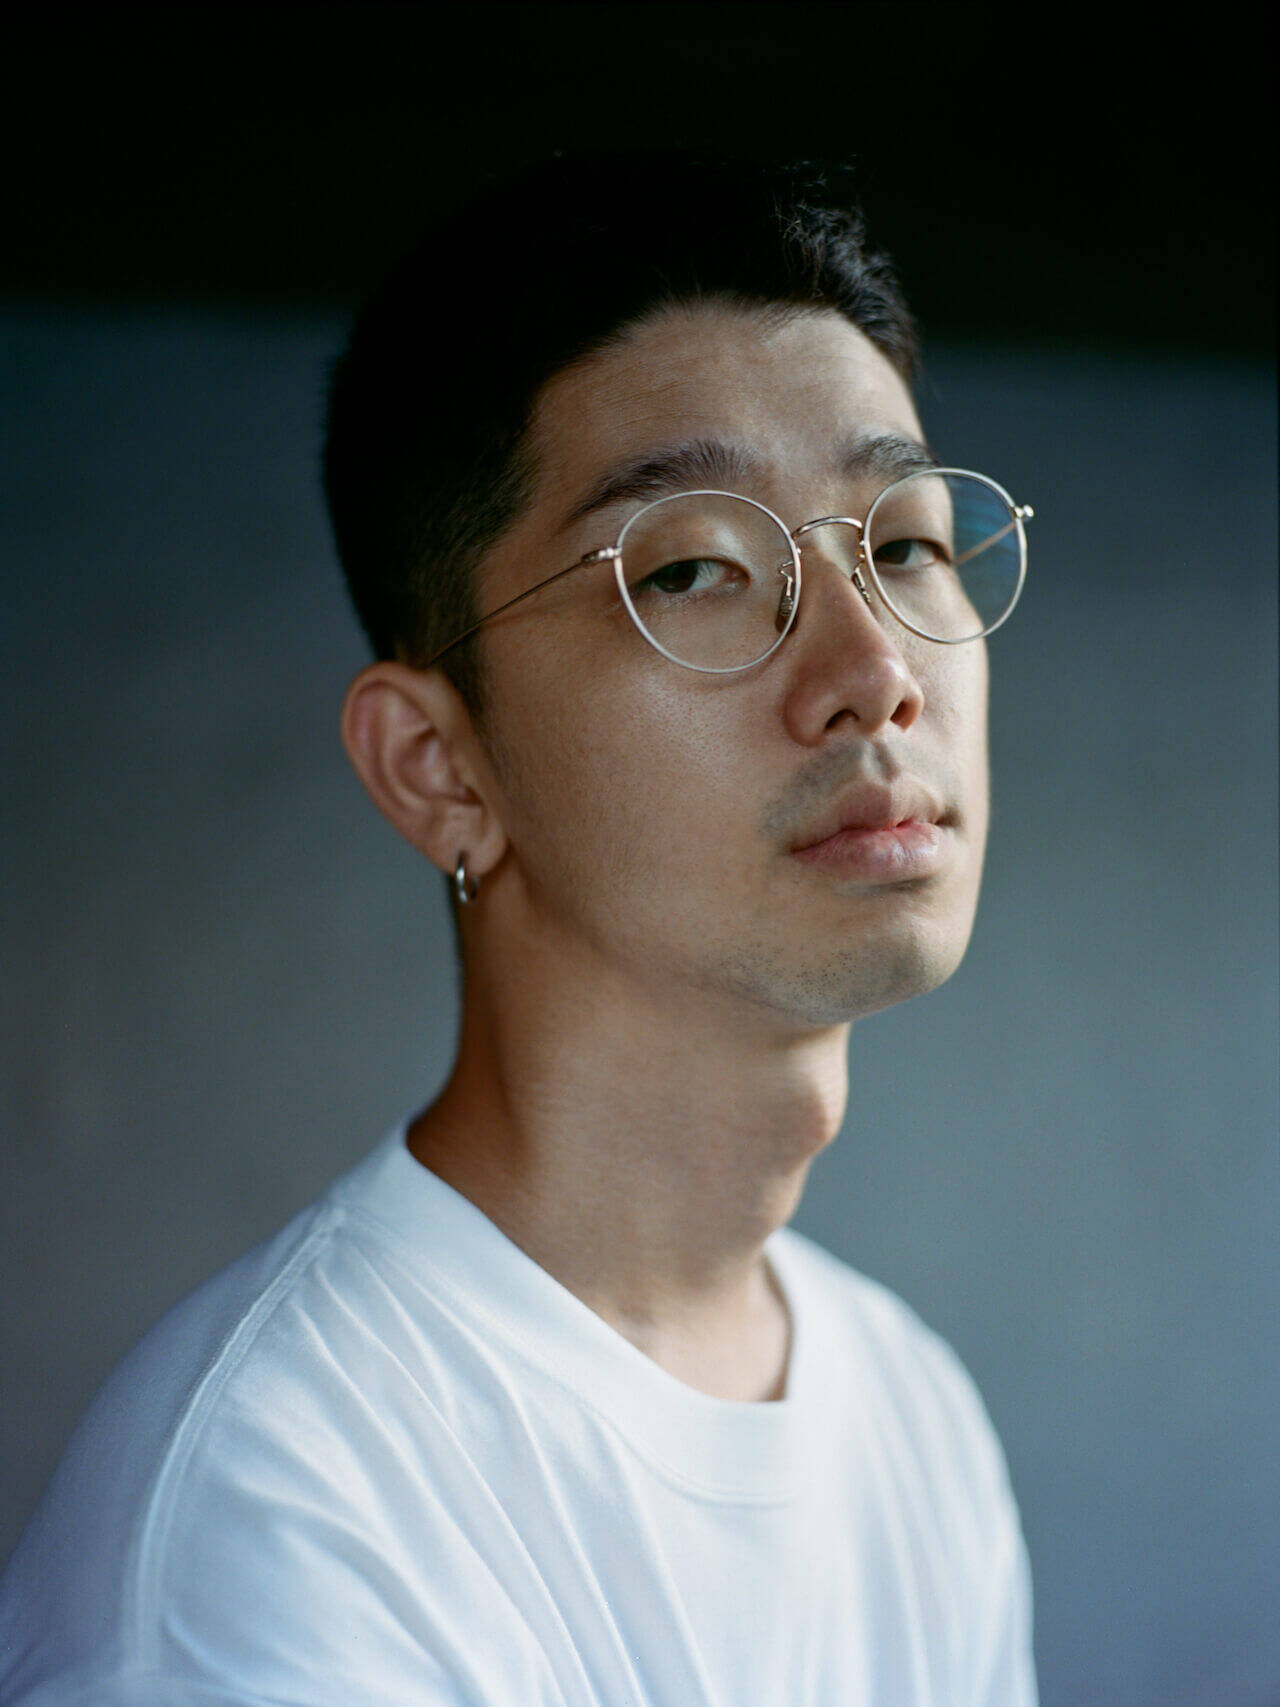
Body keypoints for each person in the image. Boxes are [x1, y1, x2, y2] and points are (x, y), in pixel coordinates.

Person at [0, 150, 1039, 1705]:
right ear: (438, 766)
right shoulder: (282, 1514)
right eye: (697, 569)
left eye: (903, 545)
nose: (874, 670)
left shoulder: (911, 1415)